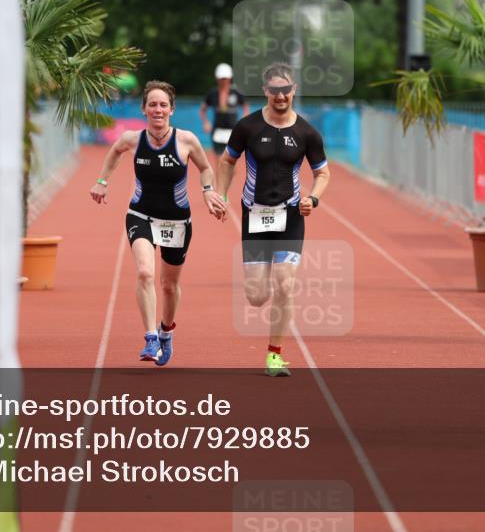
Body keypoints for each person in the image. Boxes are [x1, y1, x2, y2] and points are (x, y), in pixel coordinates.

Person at [91, 81, 226, 365]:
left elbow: (205, 168)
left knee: (168, 285)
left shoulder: (186, 140)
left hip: (177, 221)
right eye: (152, 104)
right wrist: (102, 181)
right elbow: (115, 151)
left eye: (163, 104)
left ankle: (166, 330)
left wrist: (208, 190)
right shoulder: (132, 139)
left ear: (172, 110)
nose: (158, 109)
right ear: (143, 109)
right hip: (141, 215)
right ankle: (151, 337)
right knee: (144, 272)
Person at [215, 63, 330, 377]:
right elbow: (227, 161)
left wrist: (313, 198)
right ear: (266, 91)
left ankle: (274, 355)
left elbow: (322, 173)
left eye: (286, 90)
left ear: (293, 90)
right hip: (254, 216)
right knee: (256, 297)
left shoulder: (307, 132)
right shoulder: (247, 127)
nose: (281, 96)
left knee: (285, 285)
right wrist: (221, 196)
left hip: (291, 216)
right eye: (275, 90)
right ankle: (259, 284)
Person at [200, 62, 249, 156]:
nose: (223, 81)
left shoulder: (236, 92)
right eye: (221, 78)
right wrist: (206, 122)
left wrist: (244, 119)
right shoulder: (212, 93)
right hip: (217, 130)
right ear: (217, 78)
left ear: (230, 78)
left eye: (225, 78)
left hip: (233, 131)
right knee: (219, 161)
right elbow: (202, 110)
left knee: (231, 161)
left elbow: (246, 106)